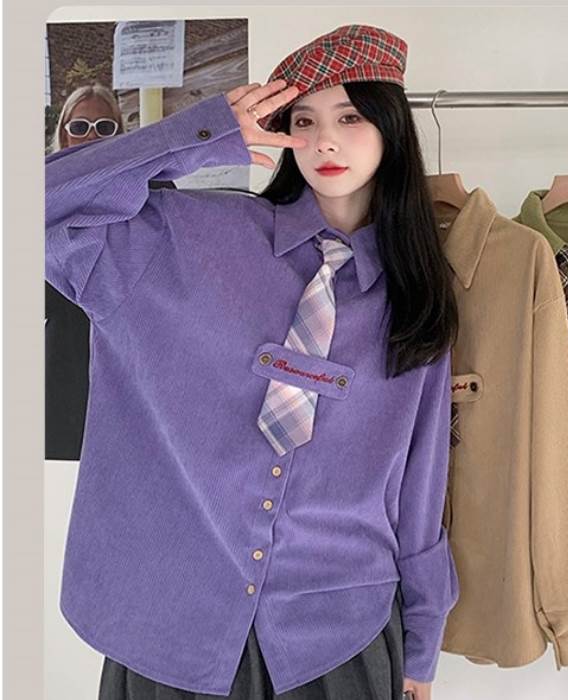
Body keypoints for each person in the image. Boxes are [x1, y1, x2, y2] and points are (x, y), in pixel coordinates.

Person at [45, 25, 459, 700]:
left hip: (339, 638)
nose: (325, 141)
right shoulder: (180, 239)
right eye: (304, 120)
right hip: (171, 629)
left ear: (392, 128)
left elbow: (421, 487)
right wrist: (199, 133)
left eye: (350, 117)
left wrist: (423, 644)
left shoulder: (414, 295)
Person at [46, 84, 126, 461]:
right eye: (80, 128)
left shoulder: (152, 185)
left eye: (104, 128)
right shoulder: (42, 191)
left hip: (129, 353)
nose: (91, 137)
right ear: (64, 134)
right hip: (66, 350)